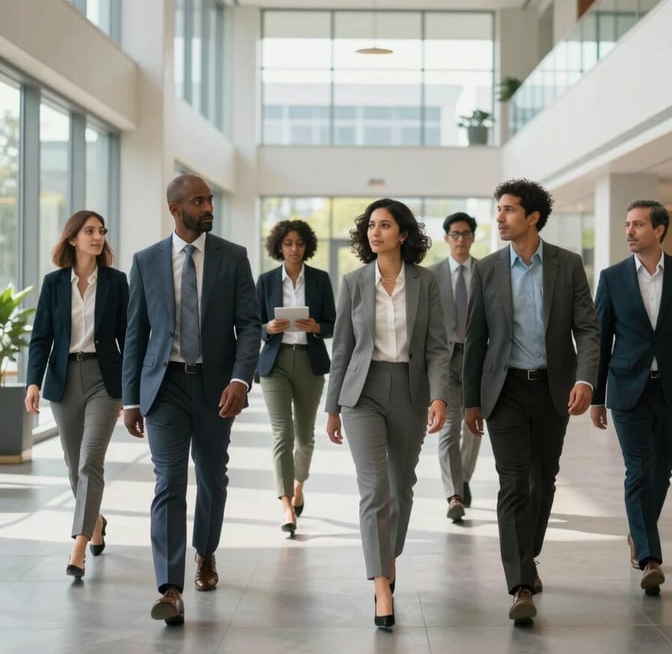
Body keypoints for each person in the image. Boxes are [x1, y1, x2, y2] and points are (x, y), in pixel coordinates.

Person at [122, 174, 260, 626]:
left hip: (216, 386)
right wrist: (129, 399)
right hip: (164, 388)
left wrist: (241, 380)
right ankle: (170, 587)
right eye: (198, 201)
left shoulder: (233, 257)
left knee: (213, 478)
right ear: (174, 208)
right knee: (168, 483)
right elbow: (136, 333)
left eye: (210, 200)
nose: (208, 207)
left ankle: (205, 552)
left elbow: (250, 326)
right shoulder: (145, 262)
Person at [463, 179, 599, 624]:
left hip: (553, 389)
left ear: (533, 217)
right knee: (513, 482)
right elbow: (475, 340)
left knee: (543, 481)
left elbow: (587, 329)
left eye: (508, 210)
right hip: (505, 392)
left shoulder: (567, 264)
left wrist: (585, 381)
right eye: (498, 209)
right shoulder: (487, 269)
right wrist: (470, 401)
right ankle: (520, 582)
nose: (499, 218)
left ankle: (528, 555)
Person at [325, 198, 448, 630]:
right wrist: (332, 408)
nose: (374, 233)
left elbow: (437, 346)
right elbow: (341, 349)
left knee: (401, 488)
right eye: (371, 226)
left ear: (403, 234)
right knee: (373, 489)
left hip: (411, 392)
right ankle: (381, 585)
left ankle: (387, 556)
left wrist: (439, 397)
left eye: (385, 225)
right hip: (362, 393)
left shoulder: (426, 282)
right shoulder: (354, 282)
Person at [590, 200, 672, 596]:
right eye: (627, 224)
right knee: (638, 468)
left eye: (638, 225)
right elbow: (600, 339)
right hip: (628, 386)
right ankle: (650, 557)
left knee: (661, 469)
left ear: (659, 230)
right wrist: (596, 396)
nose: (629, 231)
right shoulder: (612, 278)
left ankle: (638, 532)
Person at [25, 210, 128, 580]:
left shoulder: (117, 282)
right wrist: (33, 382)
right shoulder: (53, 284)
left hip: (104, 379)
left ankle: (78, 546)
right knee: (73, 467)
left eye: (101, 231)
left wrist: (129, 391)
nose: (97, 237)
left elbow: (127, 338)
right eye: (89, 231)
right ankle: (96, 519)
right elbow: (41, 337)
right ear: (72, 239)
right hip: (63, 379)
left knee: (89, 463)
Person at [256, 220, 336, 535]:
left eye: (299, 243)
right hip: (275, 364)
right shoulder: (265, 281)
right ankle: (287, 504)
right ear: (279, 246)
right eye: (288, 243)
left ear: (306, 247)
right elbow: (251, 324)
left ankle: (299, 484)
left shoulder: (319, 280)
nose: (293, 248)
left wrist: (315, 327)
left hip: (309, 361)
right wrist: (268, 328)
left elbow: (333, 323)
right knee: (282, 435)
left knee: (304, 437)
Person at [430, 212, 482, 521]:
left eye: (465, 233)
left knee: (473, 427)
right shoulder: (432, 275)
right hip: (443, 360)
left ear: (472, 237)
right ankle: (454, 495)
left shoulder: (485, 272)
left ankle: (462, 478)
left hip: (477, 360)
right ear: (447, 238)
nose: (460, 239)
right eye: (455, 234)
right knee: (448, 428)